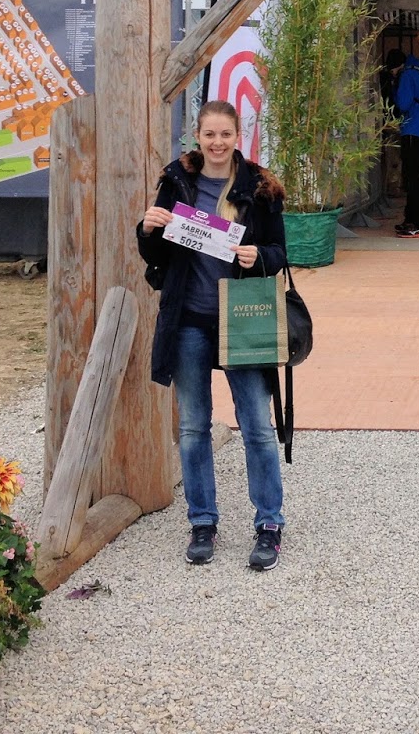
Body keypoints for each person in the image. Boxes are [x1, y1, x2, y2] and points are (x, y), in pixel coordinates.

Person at [136, 100, 289, 571]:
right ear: (196, 138)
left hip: (242, 319)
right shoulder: (176, 182)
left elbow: (281, 251)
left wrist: (257, 257)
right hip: (188, 321)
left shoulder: (259, 187)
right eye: (209, 135)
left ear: (237, 135)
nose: (217, 143)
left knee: (258, 428)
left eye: (225, 134)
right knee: (192, 427)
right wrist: (147, 228)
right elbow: (153, 254)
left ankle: (269, 523)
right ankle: (202, 520)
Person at [387, 48, 419, 237]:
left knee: (413, 178)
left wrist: (394, 88)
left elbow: (403, 104)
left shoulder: (407, 75)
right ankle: (410, 219)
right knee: (415, 175)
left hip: (413, 129)